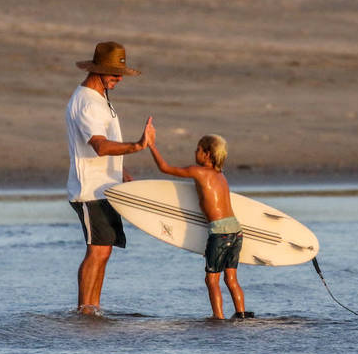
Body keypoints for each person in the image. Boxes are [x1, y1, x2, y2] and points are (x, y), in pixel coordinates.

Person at [66, 41, 154, 315]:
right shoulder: (87, 104)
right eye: (115, 74)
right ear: (98, 71)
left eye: (121, 75)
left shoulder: (99, 96)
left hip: (105, 186)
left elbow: (106, 150)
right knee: (97, 251)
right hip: (89, 189)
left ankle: (93, 308)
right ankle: (85, 310)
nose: (118, 79)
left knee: (104, 251)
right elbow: (101, 146)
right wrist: (138, 145)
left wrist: (121, 173)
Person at [148, 134, 253, 320]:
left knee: (211, 280)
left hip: (219, 233)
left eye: (198, 149)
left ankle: (218, 318)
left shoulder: (199, 172)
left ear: (207, 154)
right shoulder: (221, 175)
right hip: (236, 231)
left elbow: (165, 168)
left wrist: (152, 146)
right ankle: (241, 314)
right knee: (231, 279)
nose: (195, 153)